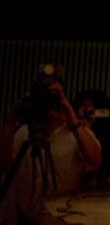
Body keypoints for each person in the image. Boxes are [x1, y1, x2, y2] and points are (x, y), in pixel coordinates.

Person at [1, 66, 102, 225]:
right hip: (19, 219)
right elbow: (3, 165)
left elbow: (94, 161)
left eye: (53, 96)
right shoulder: (22, 132)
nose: (48, 102)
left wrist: (71, 117)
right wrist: (10, 121)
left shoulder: (77, 134)